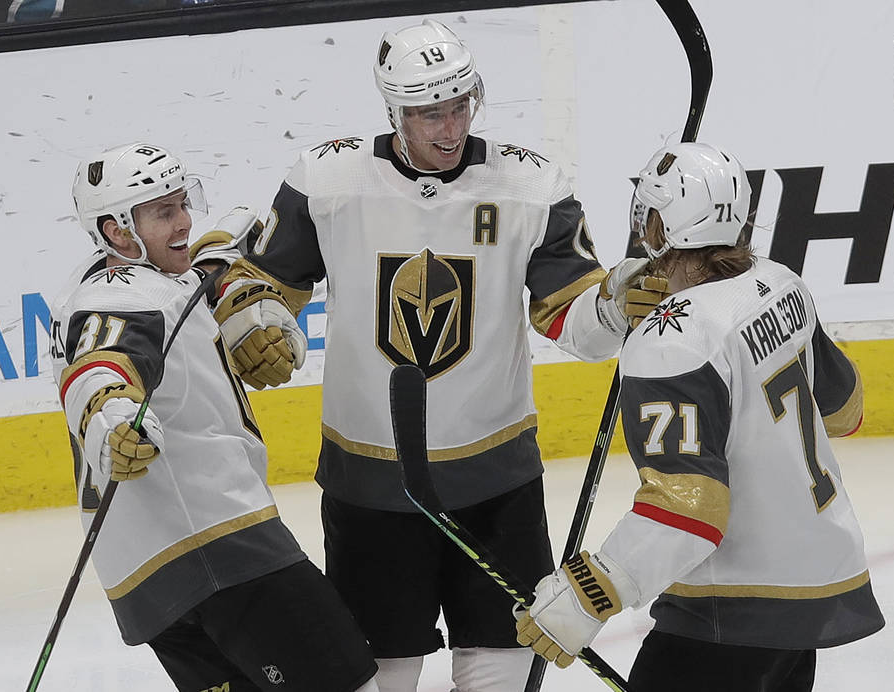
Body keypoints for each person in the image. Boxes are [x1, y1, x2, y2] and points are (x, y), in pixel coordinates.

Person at [212, 18, 667, 692]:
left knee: (502, 671)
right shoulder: (326, 180)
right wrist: (250, 319)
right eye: (429, 113)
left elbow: (570, 316)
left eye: (460, 106)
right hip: (369, 484)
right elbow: (260, 284)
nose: (449, 128)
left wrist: (612, 308)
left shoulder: (530, 187)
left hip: (497, 484)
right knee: (381, 674)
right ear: (394, 109)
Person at [515, 142, 886, 691]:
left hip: (736, 604)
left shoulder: (671, 341)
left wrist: (589, 593)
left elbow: (690, 510)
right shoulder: (780, 283)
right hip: (811, 587)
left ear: (661, 229)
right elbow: (844, 408)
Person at [49, 142, 379, 692]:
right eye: (164, 212)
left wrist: (239, 297)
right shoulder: (121, 302)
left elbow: (209, 259)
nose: (184, 222)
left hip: (141, 576)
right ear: (117, 231)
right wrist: (111, 420)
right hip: (219, 545)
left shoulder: (114, 279)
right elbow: (100, 366)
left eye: (183, 203)